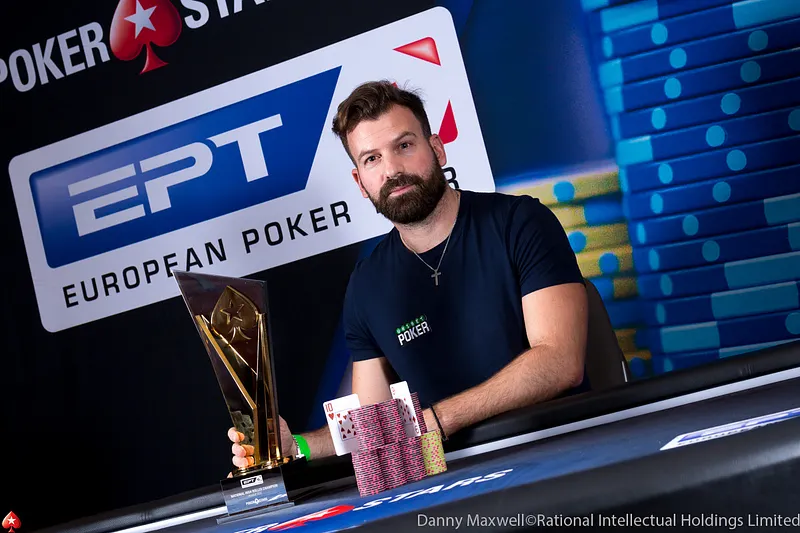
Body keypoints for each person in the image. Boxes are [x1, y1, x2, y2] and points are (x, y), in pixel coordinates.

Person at [229, 81, 589, 469]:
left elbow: (560, 362)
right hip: (450, 477)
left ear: (437, 149)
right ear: (360, 183)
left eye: (404, 146)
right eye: (372, 159)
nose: (392, 170)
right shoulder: (367, 284)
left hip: (556, 455)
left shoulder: (520, 223)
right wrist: (295, 445)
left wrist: (436, 421)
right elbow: (373, 424)